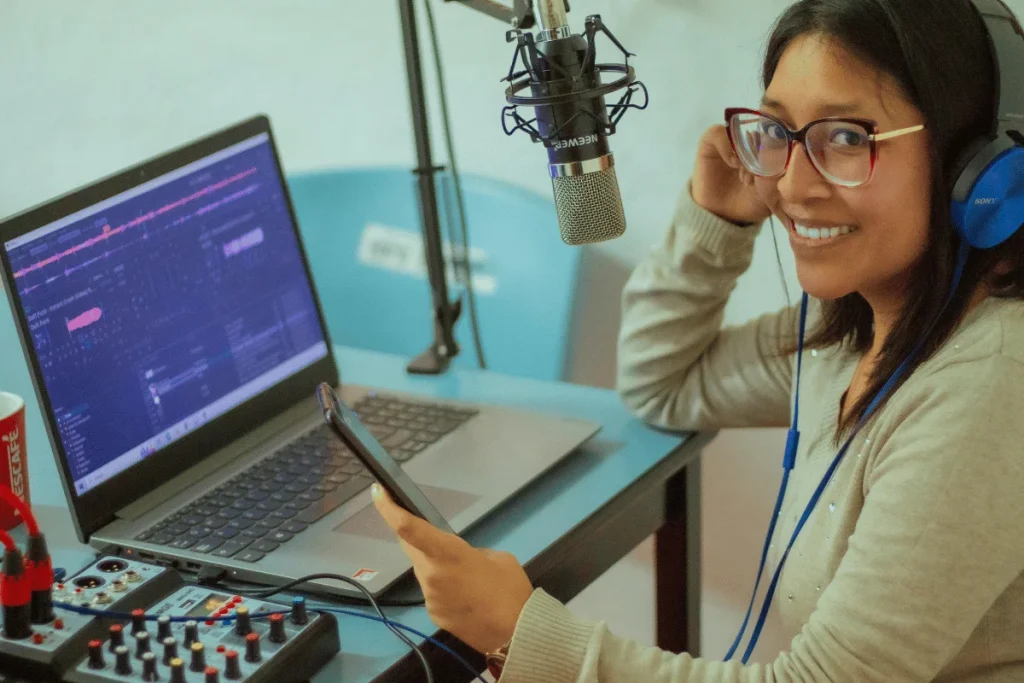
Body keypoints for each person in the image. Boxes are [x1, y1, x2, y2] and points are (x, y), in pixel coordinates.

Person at [370, 0, 1024, 679]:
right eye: (778, 131)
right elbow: (663, 383)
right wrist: (716, 220)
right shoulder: (857, 333)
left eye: (847, 138)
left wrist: (520, 630)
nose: (791, 186)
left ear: (975, 163)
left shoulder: (988, 382)